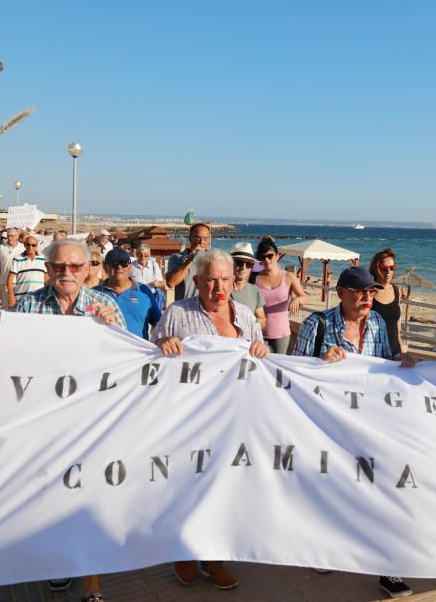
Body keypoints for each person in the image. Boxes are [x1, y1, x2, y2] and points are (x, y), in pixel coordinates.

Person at [0, 238, 125, 601]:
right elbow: (3, 364)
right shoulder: (27, 306)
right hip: (44, 425)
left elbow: (129, 364)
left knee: (90, 501)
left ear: (89, 268)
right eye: (59, 266)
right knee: (50, 499)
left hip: (91, 426)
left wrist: (113, 331)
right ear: (49, 269)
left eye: (75, 266)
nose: (67, 273)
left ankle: (92, 582)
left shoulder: (105, 307)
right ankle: (58, 564)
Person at [291, 266, 415, 599]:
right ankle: (324, 547)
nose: (367, 298)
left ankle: (387, 568)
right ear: (341, 292)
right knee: (332, 489)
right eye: (360, 292)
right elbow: (292, 370)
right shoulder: (316, 324)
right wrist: (319, 360)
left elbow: (385, 365)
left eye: (372, 292)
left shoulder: (376, 322)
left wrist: (401, 361)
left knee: (381, 492)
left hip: (372, 424)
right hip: (329, 425)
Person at [149, 248, 268, 592]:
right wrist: (163, 343)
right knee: (187, 486)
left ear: (234, 281)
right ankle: (183, 552)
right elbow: (149, 349)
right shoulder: (178, 312)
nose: (218, 286)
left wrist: (263, 351)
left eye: (225, 279)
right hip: (188, 419)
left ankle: (213, 558)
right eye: (211, 279)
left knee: (224, 488)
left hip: (233, 418)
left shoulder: (245, 316)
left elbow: (262, 356)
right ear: (197, 281)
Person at [255, 237, 306, 354]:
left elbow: (304, 297)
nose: (267, 260)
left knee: (277, 368)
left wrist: (297, 300)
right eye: (263, 257)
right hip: (259, 332)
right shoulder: (255, 278)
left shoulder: (289, 277)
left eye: (270, 256)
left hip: (281, 334)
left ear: (277, 256)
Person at [95, 248, 162, 339]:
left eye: (124, 264)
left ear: (130, 267)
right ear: (105, 267)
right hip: (104, 351)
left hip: (138, 352)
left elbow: (158, 324)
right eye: (114, 263)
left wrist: (158, 342)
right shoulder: (94, 294)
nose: (119, 267)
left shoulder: (144, 292)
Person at [369, 248, 403, 358]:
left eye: (392, 268)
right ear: (376, 269)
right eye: (384, 268)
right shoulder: (368, 291)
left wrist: (401, 349)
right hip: (374, 351)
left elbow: (397, 326)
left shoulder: (396, 290)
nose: (388, 272)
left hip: (395, 350)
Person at [165, 222, 212, 302]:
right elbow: (171, 283)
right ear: (190, 238)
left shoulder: (213, 259)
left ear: (209, 240)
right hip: (184, 309)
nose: (201, 242)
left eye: (205, 239)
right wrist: (191, 258)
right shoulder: (177, 258)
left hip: (207, 309)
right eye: (198, 237)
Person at [229, 242, 266, 331]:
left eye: (248, 264)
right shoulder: (220, 288)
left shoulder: (255, 290)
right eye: (239, 263)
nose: (244, 267)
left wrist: (247, 324)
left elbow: (263, 320)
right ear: (230, 263)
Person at [5, 235, 48, 310]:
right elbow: (9, 280)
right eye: (28, 244)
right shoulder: (17, 259)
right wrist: (11, 297)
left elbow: (47, 280)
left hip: (39, 300)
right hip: (21, 299)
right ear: (24, 245)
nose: (30, 247)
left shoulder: (43, 259)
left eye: (33, 245)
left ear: (37, 246)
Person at [0, 228, 24, 302]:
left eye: (12, 236)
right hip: (4, 282)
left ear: (17, 236)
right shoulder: (1, 247)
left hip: (20, 282)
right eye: (8, 236)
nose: (10, 238)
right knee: (6, 307)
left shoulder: (23, 248)